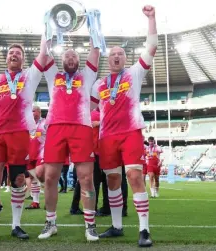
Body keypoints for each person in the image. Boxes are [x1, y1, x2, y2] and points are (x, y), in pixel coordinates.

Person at [90, 5, 157, 247]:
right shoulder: (98, 84)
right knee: (113, 181)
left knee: (134, 175)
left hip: (130, 132)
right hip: (106, 137)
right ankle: (117, 226)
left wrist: (151, 18)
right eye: (113, 54)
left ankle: (144, 230)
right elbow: (87, 110)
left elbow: (151, 47)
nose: (116, 56)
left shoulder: (135, 74)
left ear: (125, 59)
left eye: (120, 54)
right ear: (108, 60)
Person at [0, 40, 48, 243]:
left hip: (20, 133)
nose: (13, 55)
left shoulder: (29, 76)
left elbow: (43, 55)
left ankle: (16, 225)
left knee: (18, 180)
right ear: (6, 57)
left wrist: (46, 32)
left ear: (23, 58)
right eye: (10, 52)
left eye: (18, 53)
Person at [39, 34, 100, 241]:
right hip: (55, 127)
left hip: (81, 128)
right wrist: (46, 31)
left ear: (79, 61)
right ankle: (50, 221)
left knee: (87, 179)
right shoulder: (53, 75)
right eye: (67, 56)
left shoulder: (87, 75)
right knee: (49, 178)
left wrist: (94, 28)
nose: (71, 59)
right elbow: (44, 53)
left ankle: (90, 224)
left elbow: (95, 51)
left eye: (74, 56)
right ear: (62, 61)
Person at [25, 105, 46, 210]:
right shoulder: (28, 124)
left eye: (33, 111)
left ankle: (49, 198)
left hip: (42, 152)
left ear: (39, 111)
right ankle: (35, 202)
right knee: (33, 178)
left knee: (40, 174)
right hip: (30, 153)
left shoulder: (45, 123)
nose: (31, 113)